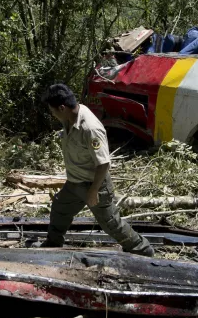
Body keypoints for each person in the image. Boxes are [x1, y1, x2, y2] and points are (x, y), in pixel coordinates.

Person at [35, 84, 154, 256]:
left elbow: (103, 163)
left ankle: (142, 249)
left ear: (62, 107)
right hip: (74, 182)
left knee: (110, 222)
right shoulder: (68, 117)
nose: (52, 114)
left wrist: (93, 191)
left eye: (53, 111)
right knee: (60, 210)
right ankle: (53, 242)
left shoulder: (90, 128)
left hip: (94, 184)